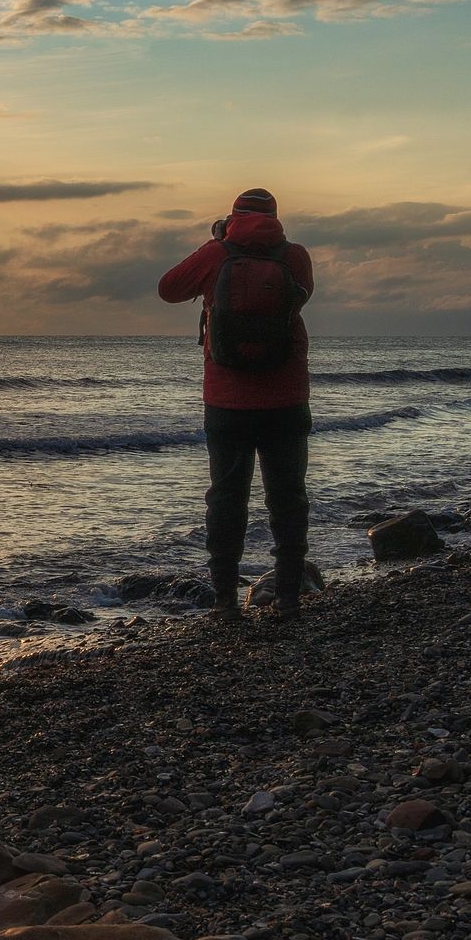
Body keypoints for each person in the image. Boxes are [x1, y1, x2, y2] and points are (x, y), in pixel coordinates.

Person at [158, 188, 314, 620]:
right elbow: (300, 297)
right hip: (286, 396)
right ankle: (287, 597)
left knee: (227, 499)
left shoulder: (216, 254)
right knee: (288, 498)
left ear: (233, 217)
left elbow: (168, 289)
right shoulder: (295, 256)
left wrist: (216, 242)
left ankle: (225, 601)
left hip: (227, 400)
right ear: (277, 218)